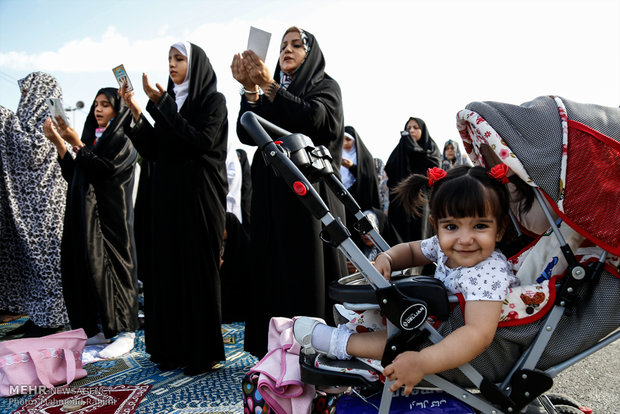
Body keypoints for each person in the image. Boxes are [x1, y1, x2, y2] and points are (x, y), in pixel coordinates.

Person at [294, 164, 519, 395]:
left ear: (499, 229)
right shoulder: (443, 248)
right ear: (436, 227)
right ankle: (356, 329)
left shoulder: (489, 272)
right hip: (437, 326)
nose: (465, 239)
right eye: (451, 226)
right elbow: (412, 251)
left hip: (454, 347)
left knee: (404, 334)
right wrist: (388, 258)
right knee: (400, 314)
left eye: (480, 226)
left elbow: (477, 334)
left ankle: (340, 343)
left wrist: (423, 362)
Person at [231, 26, 347, 357]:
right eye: (283, 45)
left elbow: (315, 120)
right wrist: (250, 89)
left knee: (305, 273)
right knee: (272, 269)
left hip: (308, 200)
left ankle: (315, 351)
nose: (287, 50)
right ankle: (274, 352)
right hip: (273, 198)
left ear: (311, 54)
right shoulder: (275, 93)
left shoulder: (325, 87)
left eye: (297, 45)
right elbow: (247, 131)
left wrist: (268, 86)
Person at [120, 41, 228, 375]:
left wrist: (162, 104)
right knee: (168, 273)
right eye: (169, 58)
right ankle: (170, 349)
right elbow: (155, 148)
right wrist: (136, 110)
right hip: (168, 202)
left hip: (199, 201)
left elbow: (199, 141)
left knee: (196, 274)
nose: (172, 64)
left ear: (196, 65)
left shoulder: (212, 101)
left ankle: (200, 352)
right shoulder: (167, 104)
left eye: (179, 58)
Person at [43, 88, 139, 357]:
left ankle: (125, 331)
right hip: (87, 216)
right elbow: (76, 173)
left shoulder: (124, 139)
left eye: (106, 105)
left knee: (116, 269)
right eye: (96, 104)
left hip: (111, 217)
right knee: (88, 269)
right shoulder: (91, 139)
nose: (98, 110)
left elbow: (105, 170)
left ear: (117, 110)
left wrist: (77, 145)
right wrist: (60, 143)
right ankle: (97, 328)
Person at [0, 72, 69, 337]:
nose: (24, 98)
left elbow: (31, 148)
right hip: (30, 214)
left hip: (47, 211)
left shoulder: (51, 125)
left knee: (47, 265)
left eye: (28, 93)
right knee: (31, 265)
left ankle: (51, 322)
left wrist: (5, 119)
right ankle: (38, 316)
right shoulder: (27, 125)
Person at [385, 117, 441, 242]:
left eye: (416, 128)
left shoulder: (431, 150)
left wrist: (414, 150)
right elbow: (390, 169)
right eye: (408, 128)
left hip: (422, 198)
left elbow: (434, 167)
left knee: (420, 235)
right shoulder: (400, 150)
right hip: (401, 200)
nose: (411, 131)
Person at [340, 125, 381, 220]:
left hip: (359, 198)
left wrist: (352, 167)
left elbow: (368, 179)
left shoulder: (365, 158)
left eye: (348, 139)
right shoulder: (338, 155)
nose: (345, 142)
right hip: (342, 196)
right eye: (343, 139)